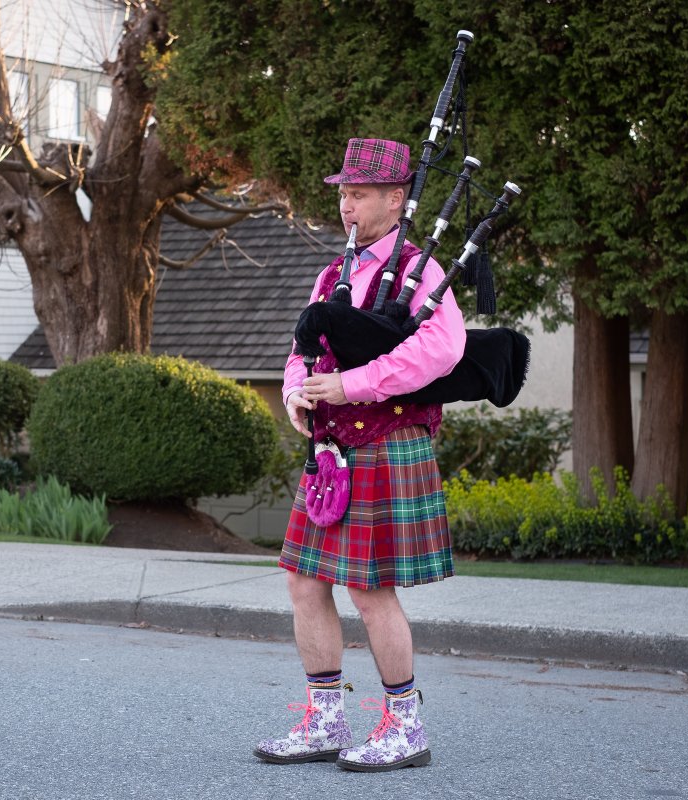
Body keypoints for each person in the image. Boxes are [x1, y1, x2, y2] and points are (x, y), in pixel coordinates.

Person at [253, 138, 466, 772]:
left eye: (360, 194)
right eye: (343, 193)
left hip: (389, 440)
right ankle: (325, 721)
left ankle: (406, 727)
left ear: (396, 199)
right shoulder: (331, 273)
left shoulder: (421, 270)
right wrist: (297, 389)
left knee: (370, 590)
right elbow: (304, 343)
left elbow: (442, 350)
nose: (347, 205)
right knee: (303, 579)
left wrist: (352, 385)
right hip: (332, 447)